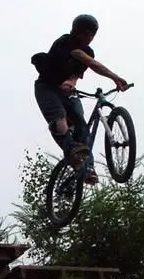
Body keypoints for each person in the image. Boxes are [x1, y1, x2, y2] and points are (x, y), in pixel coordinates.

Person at [31, 14, 129, 184]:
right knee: (60, 116)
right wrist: (114, 77)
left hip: (66, 91)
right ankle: (71, 150)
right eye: (87, 34)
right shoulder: (66, 42)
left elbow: (77, 74)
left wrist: (70, 82)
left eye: (93, 35)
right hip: (46, 87)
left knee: (82, 126)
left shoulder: (88, 50)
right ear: (77, 32)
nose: (90, 38)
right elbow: (91, 63)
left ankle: (87, 168)